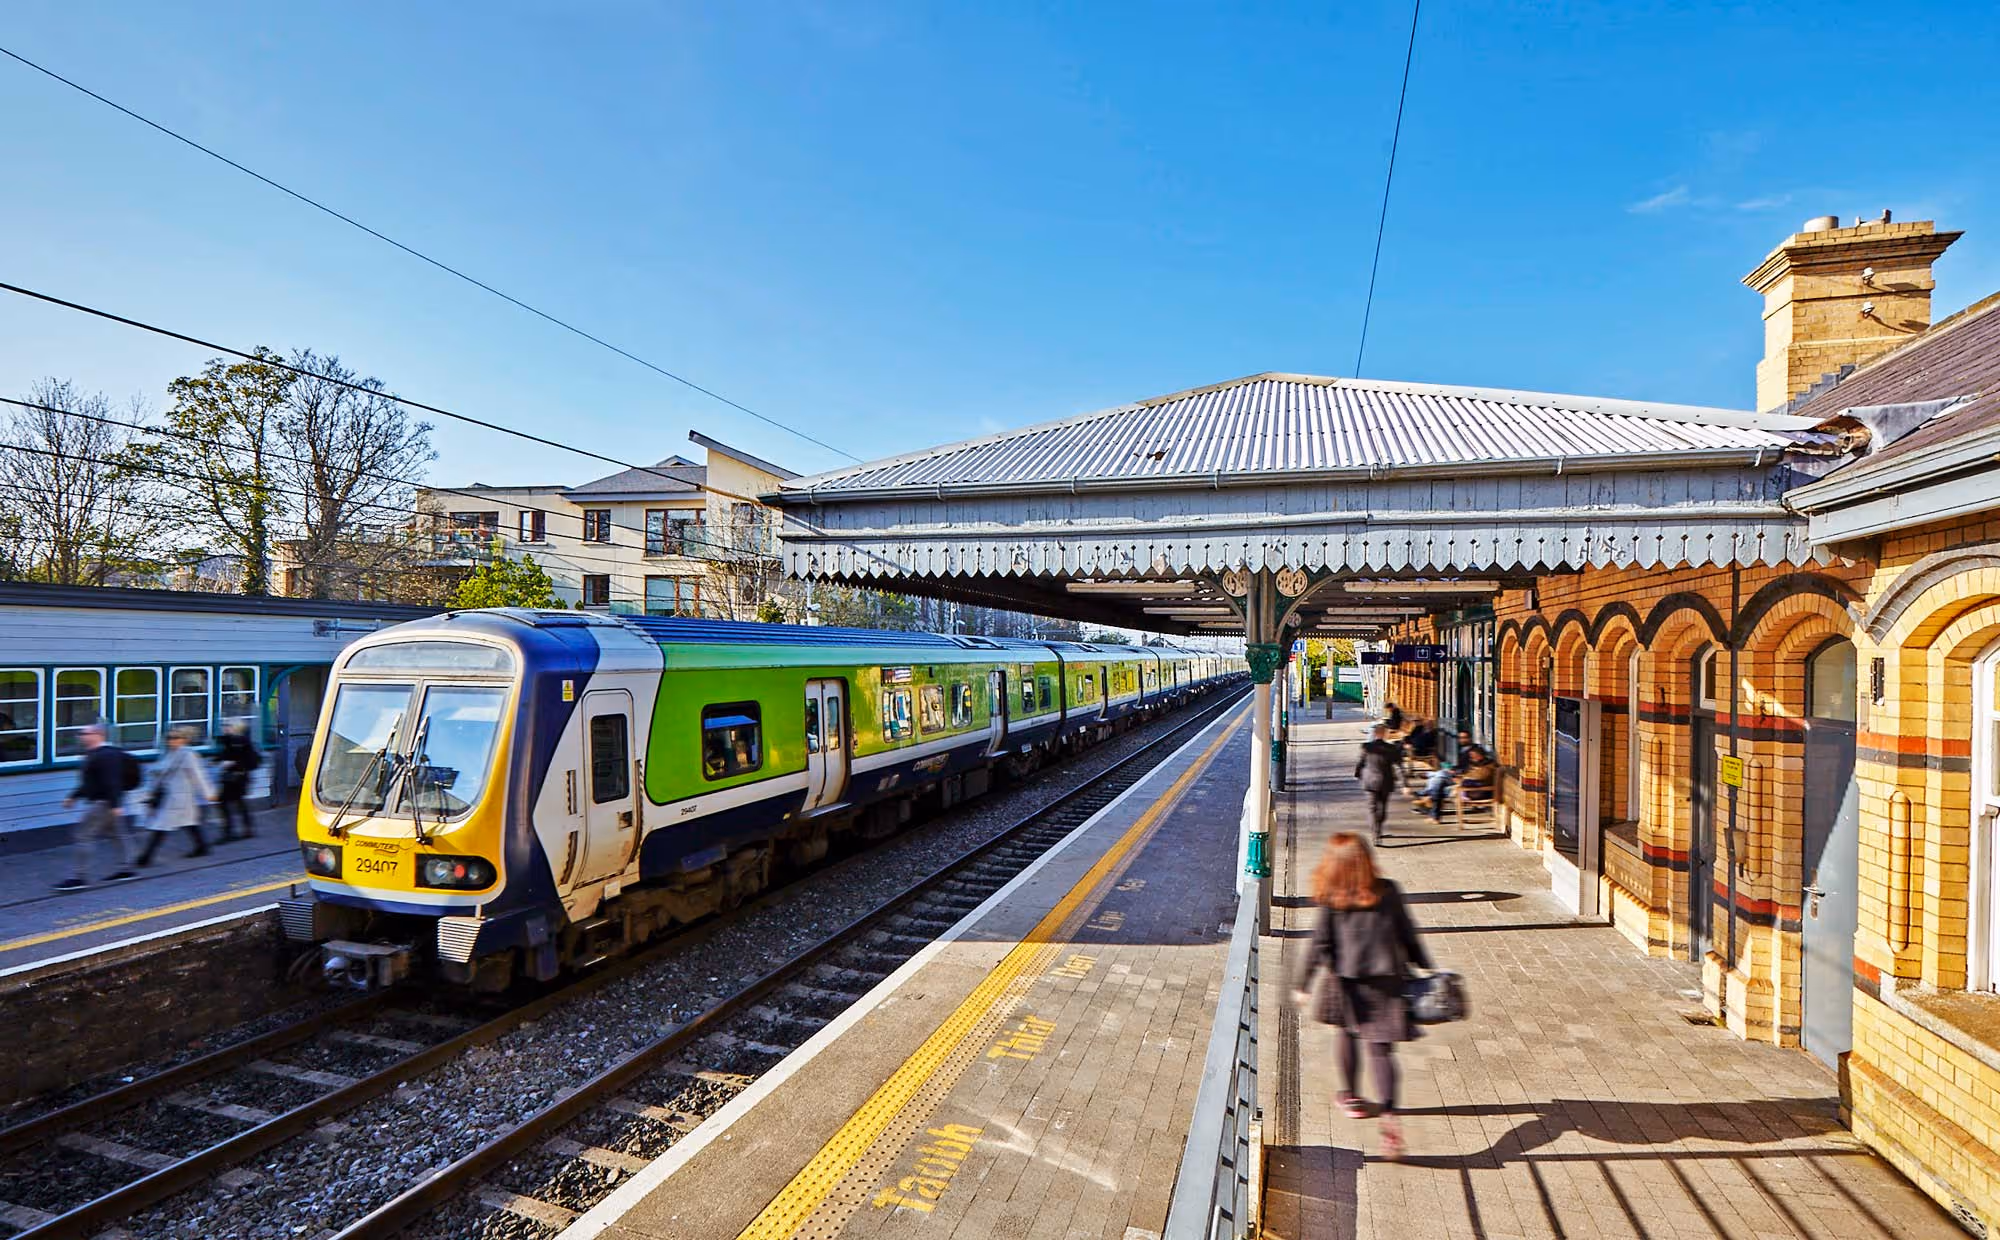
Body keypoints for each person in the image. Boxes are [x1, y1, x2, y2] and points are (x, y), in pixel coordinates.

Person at [1291, 832, 1432, 1160]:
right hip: (1387, 982)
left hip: (1347, 983)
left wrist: (1303, 984)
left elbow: (1319, 944)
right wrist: (1425, 966)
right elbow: (1407, 932)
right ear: (1367, 860)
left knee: (1346, 1034)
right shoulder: (1388, 890)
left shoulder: (1333, 899)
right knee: (1381, 1051)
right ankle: (1389, 1116)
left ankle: (1351, 1097)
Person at [58, 724, 139, 891]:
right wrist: (73, 796)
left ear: (98, 735)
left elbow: (112, 780)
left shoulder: (106, 755)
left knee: (83, 835)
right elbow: (91, 782)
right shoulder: (95, 754)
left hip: (103, 803)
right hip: (106, 802)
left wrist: (115, 804)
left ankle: (79, 877)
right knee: (117, 834)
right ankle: (127, 869)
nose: (81, 736)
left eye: (84, 733)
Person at [138, 727, 216, 864]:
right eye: (169, 738)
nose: (171, 741)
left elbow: (198, 775)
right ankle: (202, 847)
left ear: (184, 739)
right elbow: (161, 776)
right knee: (189, 824)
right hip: (171, 796)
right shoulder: (168, 754)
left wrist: (208, 793)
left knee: (161, 826)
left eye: (175, 738)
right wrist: (150, 792)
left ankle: (145, 858)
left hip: (180, 798)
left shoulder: (188, 755)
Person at [1353, 724, 1402, 844]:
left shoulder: (1366, 747)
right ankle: (1378, 828)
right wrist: (1405, 783)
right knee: (1383, 808)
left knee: (1372, 808)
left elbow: (1361, 762)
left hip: (1369, 781)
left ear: (1374, 734)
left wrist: (1357, 774)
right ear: (1385, 734)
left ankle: (1376, 833)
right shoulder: (1392, 748)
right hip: (1386, 781)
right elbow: (1399, 766)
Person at [215, 722, 262, 840]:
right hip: (231, 777)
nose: (225, 728)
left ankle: (231, 832)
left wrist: (232, 763)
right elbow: (225, 754)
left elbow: (247, 759)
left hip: (238, 777)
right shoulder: (229, 741)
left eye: (228, 726)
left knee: (227, 803)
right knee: (237, 803)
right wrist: (218, 760)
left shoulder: (240, 741)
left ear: (235, 728)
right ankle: (245, 829)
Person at [1418, 729, 1474, 817]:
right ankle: (1430, 808)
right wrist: (1452, 769)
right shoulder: (1461, 750)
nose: (1462, 740)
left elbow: (1469, 769)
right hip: (1455, 774)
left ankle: (1426, 795)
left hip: (1461, 777)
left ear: (1470, 738)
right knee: (1437, 780)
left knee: (1438, 778)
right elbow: (1459, 766)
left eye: (1464, 738)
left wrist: (1456, 772)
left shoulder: (1473, 751)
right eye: (1460, 738)